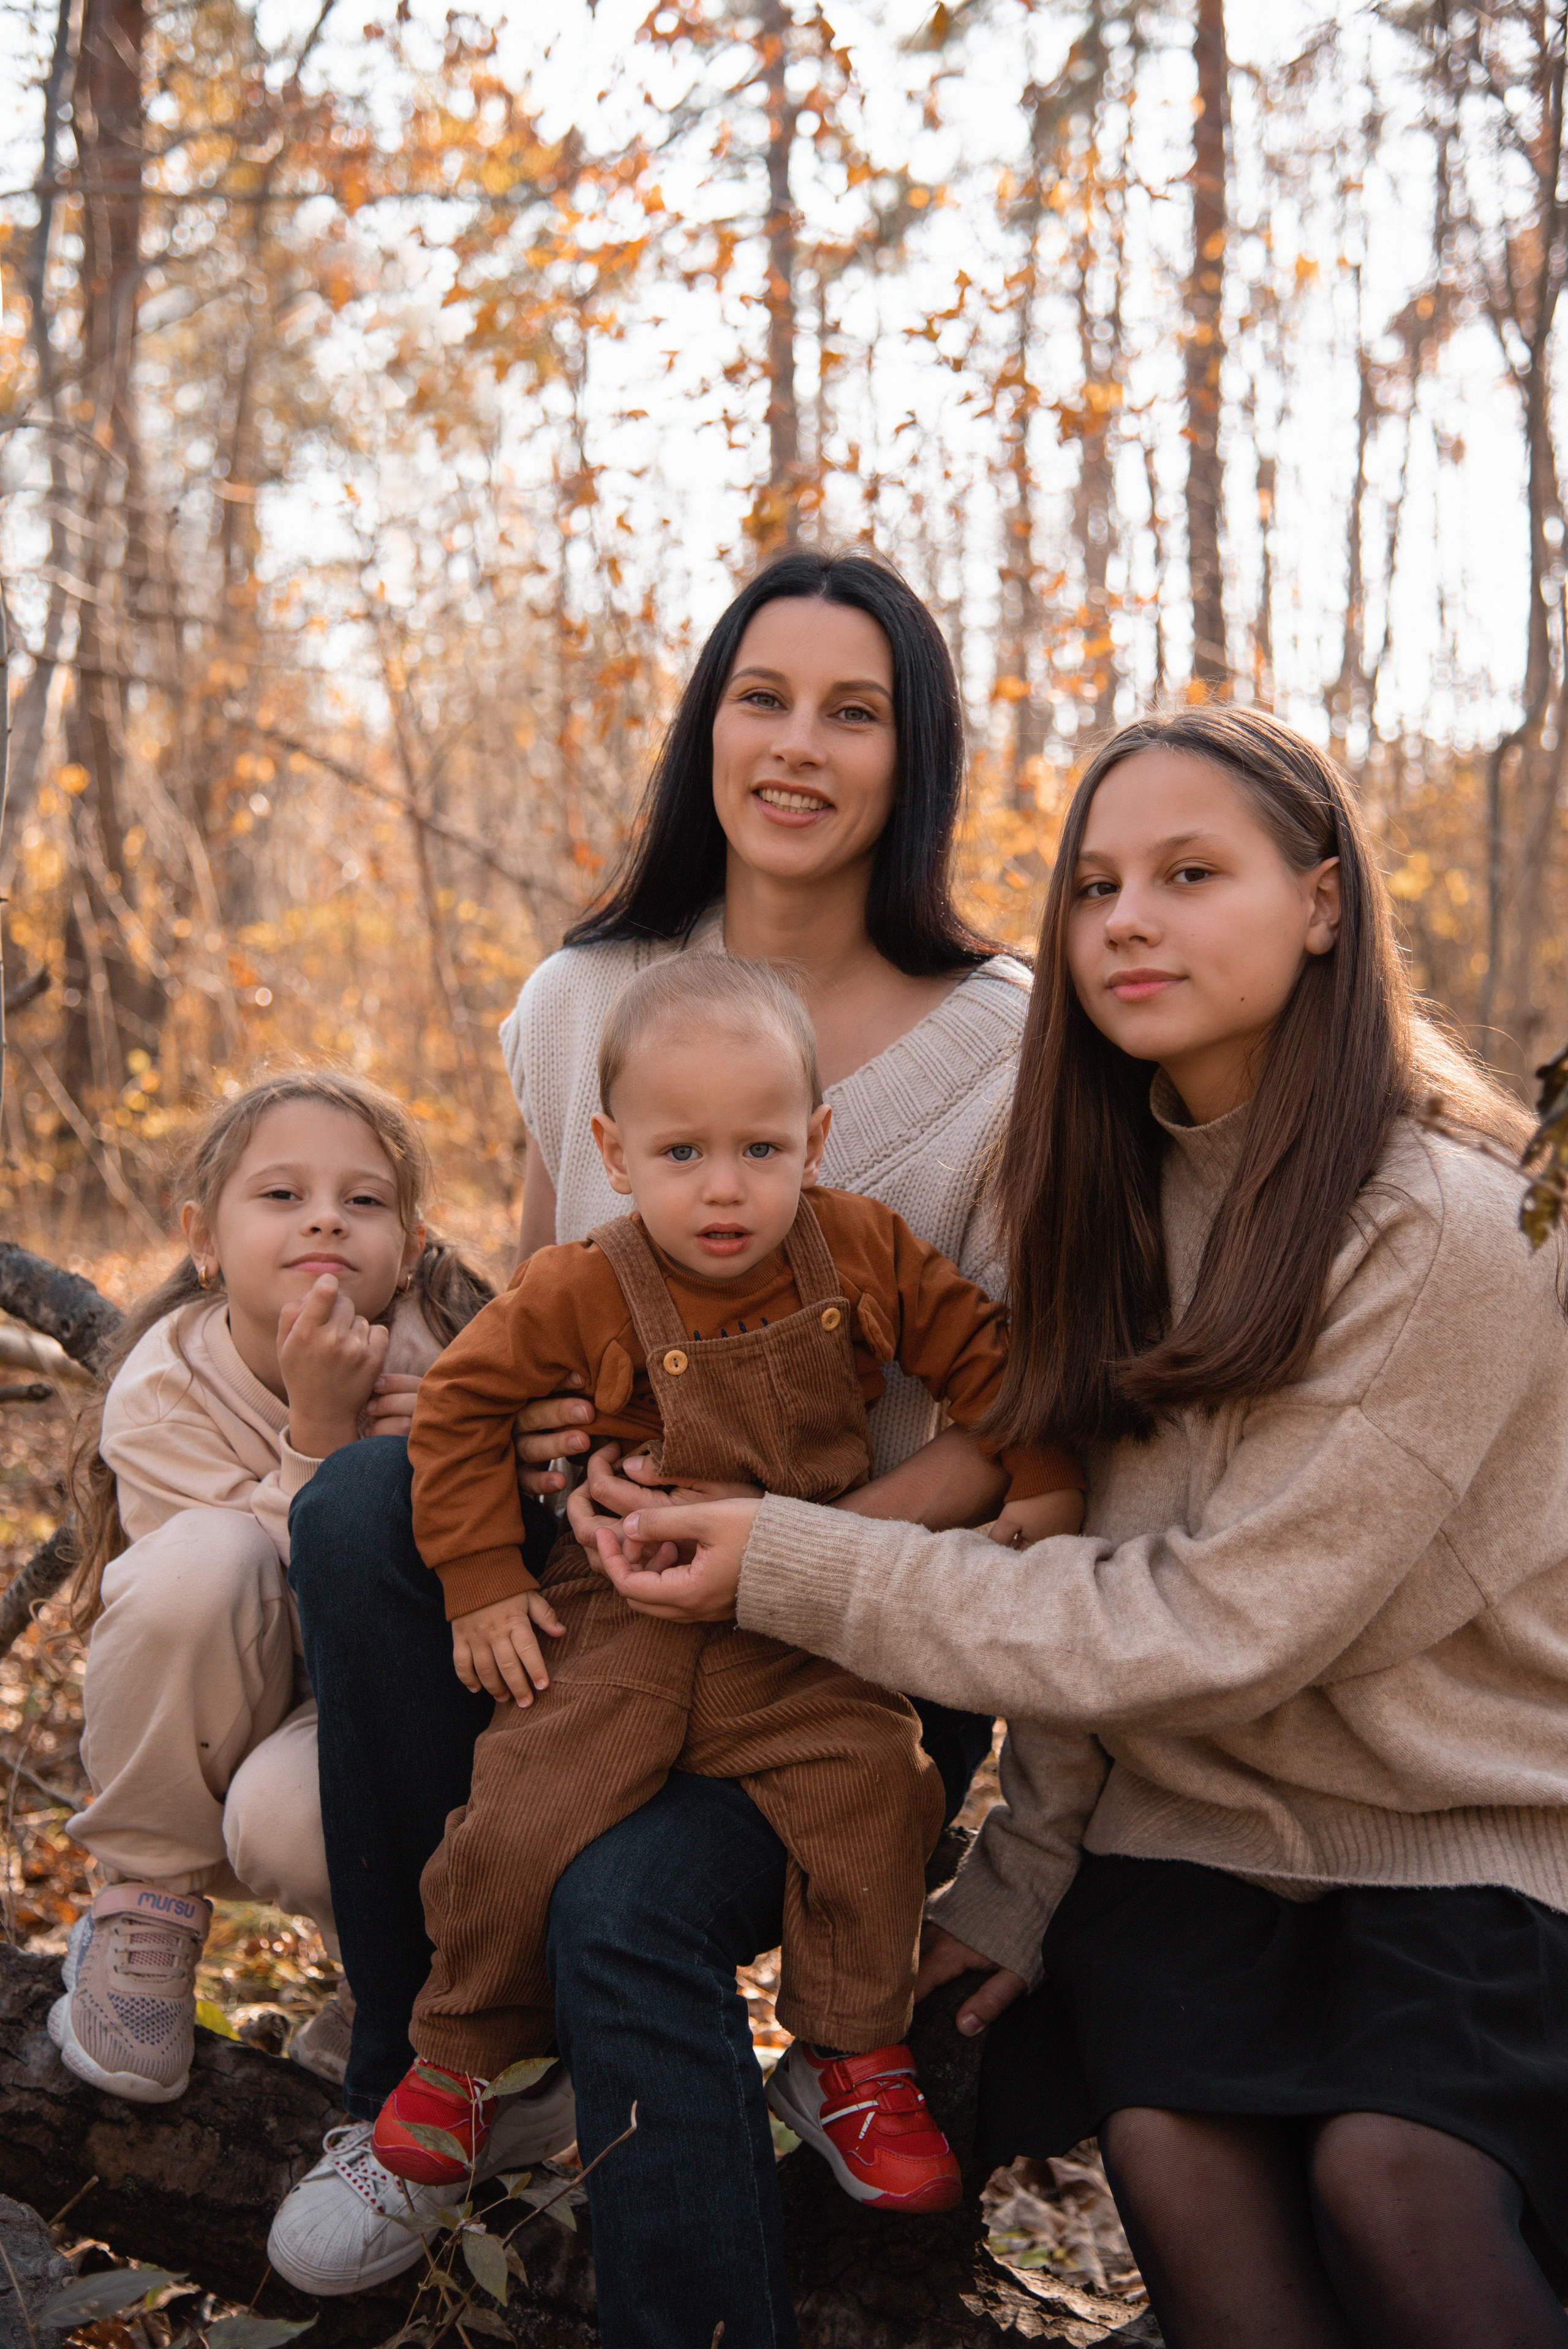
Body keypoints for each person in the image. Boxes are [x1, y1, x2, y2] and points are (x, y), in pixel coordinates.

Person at [602, 705, 1568, 2349]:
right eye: (1097, 885)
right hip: (1192, 1845)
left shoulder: (1445, 1222)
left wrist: (787, 1554)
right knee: (1179, 2156)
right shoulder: (1095, 1193)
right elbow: (1077, 1574)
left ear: (1323, 902)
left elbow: (1207, 1624)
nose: (1128, 919)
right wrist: (1026, 1874)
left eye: (1191, 875)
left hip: (1468, 1843)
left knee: (1393, 2183)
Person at [268, 547, 1033, 2333]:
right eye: (762, 697)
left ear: (912, 759)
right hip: (606, 1598)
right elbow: (541, 1326)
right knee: (368, 1495)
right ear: (708, 727)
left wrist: (802, 1549)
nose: (797, 745)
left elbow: (1014, 1414)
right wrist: (553, 1460)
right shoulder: (579, 995)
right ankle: (420, 2090)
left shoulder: (1005, 1051)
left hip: (856, 1625)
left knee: (621, 1896)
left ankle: (746, 2172)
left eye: (855, 712)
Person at [371, 958, 1081, 2212]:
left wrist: (1039, 1485)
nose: (722, 1187)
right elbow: (460, 1405)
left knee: (878, 1792)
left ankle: (847, 2055)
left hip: (793, 1615)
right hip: (617, 1620)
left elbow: (982, 1353)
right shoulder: (581, 1283)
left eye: (759, 1148)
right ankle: (464, 2054)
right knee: (520, 1815)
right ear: (614, 1150)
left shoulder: (856, 1248)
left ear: (812, 1141)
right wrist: (482, 1577)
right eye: (682, 1152)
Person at [54, 1070, 486, 2103]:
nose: (326, 1218)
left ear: (412, 1243)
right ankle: (144, 1912)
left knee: (291, 1815)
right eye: (282, 1195)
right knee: (204, 1561)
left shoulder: (463, 1360)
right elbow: (211, 1610)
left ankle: (418, 1992)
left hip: (410, 1721)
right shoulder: (165, 1388)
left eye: (365, 1199)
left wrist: (479, 1438)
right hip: (230, 1703)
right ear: (204, 1236)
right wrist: (323, 1440)